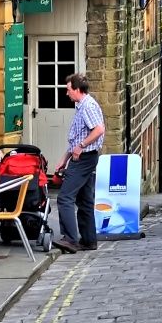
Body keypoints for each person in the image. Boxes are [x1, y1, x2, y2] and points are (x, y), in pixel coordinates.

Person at [52, 73, 105, 254]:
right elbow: (76, 139)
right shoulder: (81, 106)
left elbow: (99, 129)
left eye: (68, 89)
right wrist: (63, 160)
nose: (66, 93)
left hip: (83, 159)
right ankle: (89, 240)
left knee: (65, 197)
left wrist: (81, 147)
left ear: (77, 90)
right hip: (82, 157)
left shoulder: (88, 106)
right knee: (85, 201)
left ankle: (70, 239)